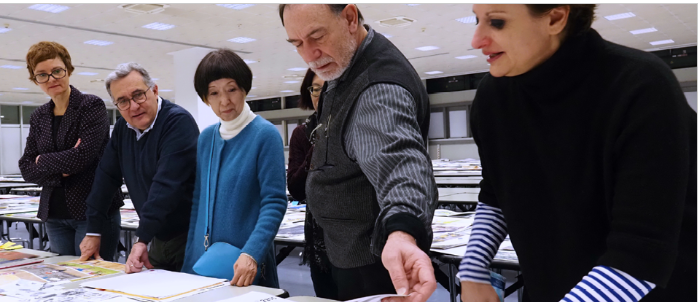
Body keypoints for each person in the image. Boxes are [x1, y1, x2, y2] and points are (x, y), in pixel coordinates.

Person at [459, 4, 696, 302]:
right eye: (477, 20)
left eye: (496, 22)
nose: (476, 39)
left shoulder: (640, 87)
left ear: (556, 18)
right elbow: (496, 194)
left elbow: (641, 253)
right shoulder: (492, 98)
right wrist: (473, 268)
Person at [280, 4, 438, 301]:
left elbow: (400, 164)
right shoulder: (343, 67)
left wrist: (402, 231)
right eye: (298, 43)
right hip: (340, 251)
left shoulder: (377, 88)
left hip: (371, 264)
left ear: (350, 18)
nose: (308, 55)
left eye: (317, 36)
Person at [79, 62, 199, 274]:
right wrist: (94, 230)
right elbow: (105, 178)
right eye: (123, 101)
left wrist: (142, 238)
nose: (133, 106)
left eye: (138, 95)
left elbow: (166, 186)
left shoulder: (177, 122)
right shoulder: (123, 129)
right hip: (159, 235)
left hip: (190, 236)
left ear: (154, 90)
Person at [181, 49, 287, 288]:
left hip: (245, 264)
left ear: (244, 89)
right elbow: (199, 202)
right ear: (206, 98)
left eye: (231, 89)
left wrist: (252, 253)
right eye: (214, 93)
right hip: (205, 263)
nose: (224, 101)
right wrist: (190, 261)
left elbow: (275, 201)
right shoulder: (207, 138)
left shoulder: (265, 135)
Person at [18, 41, 122, 260]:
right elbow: (26, 167)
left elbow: (81, 157)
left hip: (92, 213)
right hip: (54, 214)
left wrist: (42, 161)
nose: (51, 79)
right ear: (35, 79)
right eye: (42, 75)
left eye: (57, 71)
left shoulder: (90, 106)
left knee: (94, 281)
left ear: (68, 69)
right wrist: (62, 166)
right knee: (64, 282)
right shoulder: (39, 116)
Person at [286, 68, 338, 298]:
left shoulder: (357, 128)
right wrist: (317, 147)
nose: (321, 95)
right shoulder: (302, 134)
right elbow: (295, 189)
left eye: (327, 88)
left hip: (357, 239)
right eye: (316, 89)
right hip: (318, 237)